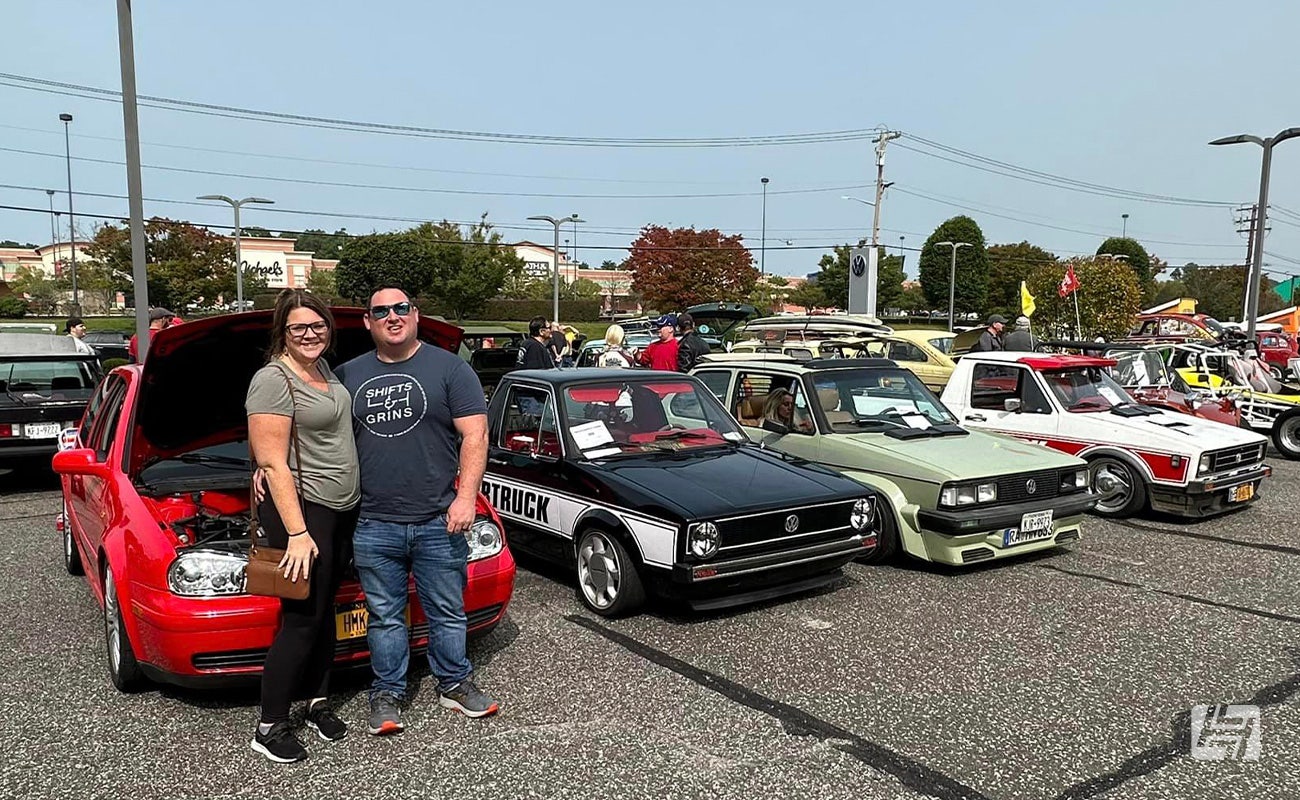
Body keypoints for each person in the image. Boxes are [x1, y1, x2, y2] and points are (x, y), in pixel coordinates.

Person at [336, 285, 499, 735]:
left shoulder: (450, 369)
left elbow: (475, 436)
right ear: (367, 322)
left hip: (438, 519)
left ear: (416, 315)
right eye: (381, 311)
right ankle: (387, 694)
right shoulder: (346, 376)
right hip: (372, 521)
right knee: (385, 615)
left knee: (447, 610)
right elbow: (319, 438)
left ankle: (455, 683)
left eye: (401, 308)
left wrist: (467, 497)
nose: (392, 316)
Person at [245, 289, 360, 764]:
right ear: (282, 333)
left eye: (317, 326)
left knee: (325, 611)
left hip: (339, 508)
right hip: (303, 511)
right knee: (301, 619)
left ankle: (316, 701)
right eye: (299, 328)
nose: (310, 334)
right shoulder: (273, 379)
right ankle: (269, 725)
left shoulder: (322, 369)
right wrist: (296, 532)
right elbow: (273, 462)